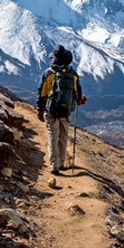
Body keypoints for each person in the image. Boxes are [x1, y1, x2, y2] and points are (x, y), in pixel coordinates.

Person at [36, 45, 86, 175]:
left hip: (50, 109)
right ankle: (62, 163)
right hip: (66, 111)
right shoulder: (73, 75)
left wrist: (39, 109)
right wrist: (80, 100)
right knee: (63, 137)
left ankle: (54, 165)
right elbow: (78, 94)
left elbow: (41, 93)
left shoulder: (48, 73)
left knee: (53, 136)